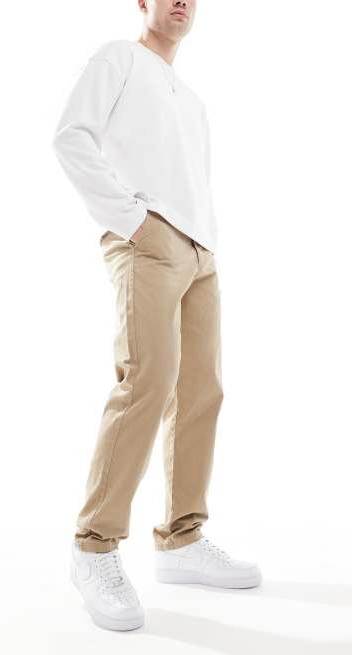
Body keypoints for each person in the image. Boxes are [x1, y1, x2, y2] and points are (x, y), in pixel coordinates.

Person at [51, 0, 262, 631]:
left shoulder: (191, 101)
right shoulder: (117, 58)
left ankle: (181, 538)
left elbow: (190, 179)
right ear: (141, 3)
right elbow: (70, 137)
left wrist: (205, 246)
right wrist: (134, 221)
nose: (181, 2)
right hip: (147, 240)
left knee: (201, 390)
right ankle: (94, 546)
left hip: (199, 251)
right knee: (147, 380)